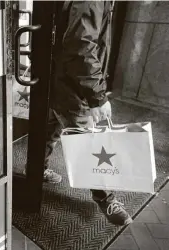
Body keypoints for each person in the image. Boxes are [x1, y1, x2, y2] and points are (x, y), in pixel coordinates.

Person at [29, 1, 132, 226]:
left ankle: (37, 171)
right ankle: (106, 199)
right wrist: (97, 95)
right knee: (89, 146)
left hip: (57, 80)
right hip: (74, 88)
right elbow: (80, 45)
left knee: (49, 130)